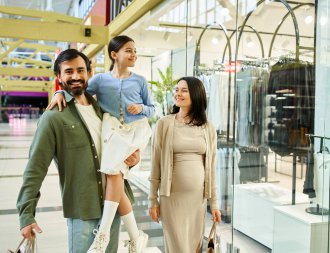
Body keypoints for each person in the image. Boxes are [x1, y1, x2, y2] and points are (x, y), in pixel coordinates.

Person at [17, 48, 140, 253]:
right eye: (68, 71)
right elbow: (35, 168)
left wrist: (133, 159)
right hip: (84, 211)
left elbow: (119, 148)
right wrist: (26, 215)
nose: (75, 76)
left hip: (115, 204)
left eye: (80, 70)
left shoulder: (103, 110)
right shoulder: (54, 117)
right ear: (59, 77)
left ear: (89, 74)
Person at [48, 35, 154, 253]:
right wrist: (59, 90)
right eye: (129, 50)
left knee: (113, 174)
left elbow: (153, 109)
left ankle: (103, 234)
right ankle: (135, 236)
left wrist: (141, 109)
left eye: (135, 51)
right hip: (114, 131)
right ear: (114, 55)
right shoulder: (101, 80)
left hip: (135, 132)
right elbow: (79, 90)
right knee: (114, 177)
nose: (134, 54)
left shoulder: (140, 81)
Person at [148, 76, 222, 253]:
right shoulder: (164, 124)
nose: (178, 94)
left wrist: (215, 204)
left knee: (193, 247)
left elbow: (211, 168)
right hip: (171, 198)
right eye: (176, 90)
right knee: (177, 247)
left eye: (184, 90)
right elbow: (156, 163)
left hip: (198, 200)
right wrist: (153, 200)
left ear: (196, 95)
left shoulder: (208, 128)